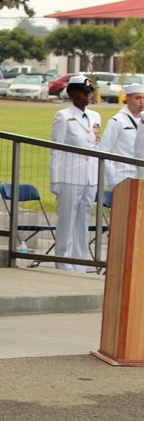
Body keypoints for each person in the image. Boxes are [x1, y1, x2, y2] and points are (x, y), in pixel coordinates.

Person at [50, 75, 101, 274]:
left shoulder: (95, 116)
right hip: (69, 175)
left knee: (83, 221)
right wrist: (55, 179)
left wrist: (98, 175)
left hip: (89, 176)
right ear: (72, 93)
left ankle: (80, 263)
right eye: (82, 92)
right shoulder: (63, 116)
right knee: (67, 221)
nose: (87, 95)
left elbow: (96, 146)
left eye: (89, 92)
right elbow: (56, 149)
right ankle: (63, 263)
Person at [100, 83, 143, 188]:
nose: (142, 101)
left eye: (143, 98)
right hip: (123, 176)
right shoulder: (117, 121)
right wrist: (113, 181)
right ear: (128, 99)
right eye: (138, 98)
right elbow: (104, 150)